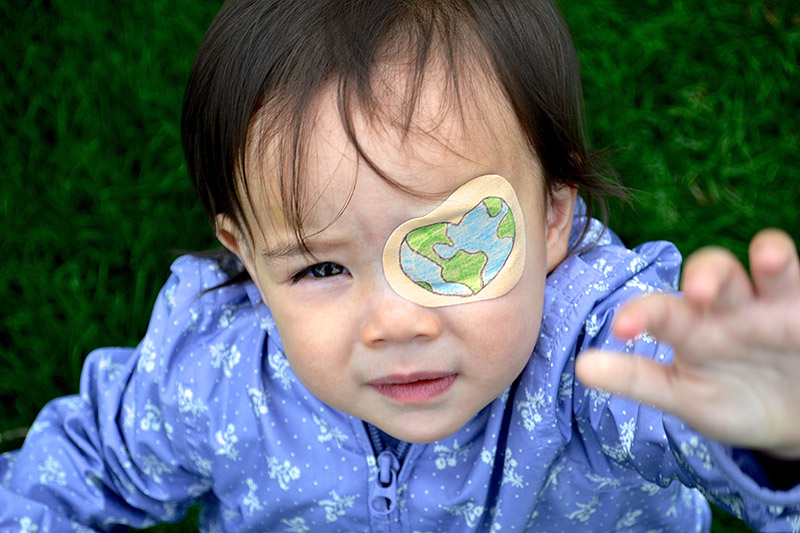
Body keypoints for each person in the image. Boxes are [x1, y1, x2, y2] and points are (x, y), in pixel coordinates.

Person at [2, 0, 799, 531]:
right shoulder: (212, 371)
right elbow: (83, 464)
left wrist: (763, 427)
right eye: (319, 269)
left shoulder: (593, 349)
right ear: (243, 253)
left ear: (554, 216)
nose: (396, 323)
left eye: (450, 248)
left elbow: (671, 394)